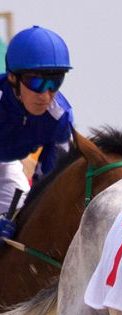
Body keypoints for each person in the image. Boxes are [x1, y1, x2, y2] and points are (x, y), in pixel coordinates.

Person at [0, 26, 74, 240]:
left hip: (6, 164)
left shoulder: (60, 118)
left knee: (23, 223)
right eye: (36, 82)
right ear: (13, 78)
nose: (45, 95)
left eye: (55, 82)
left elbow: (48, 181)